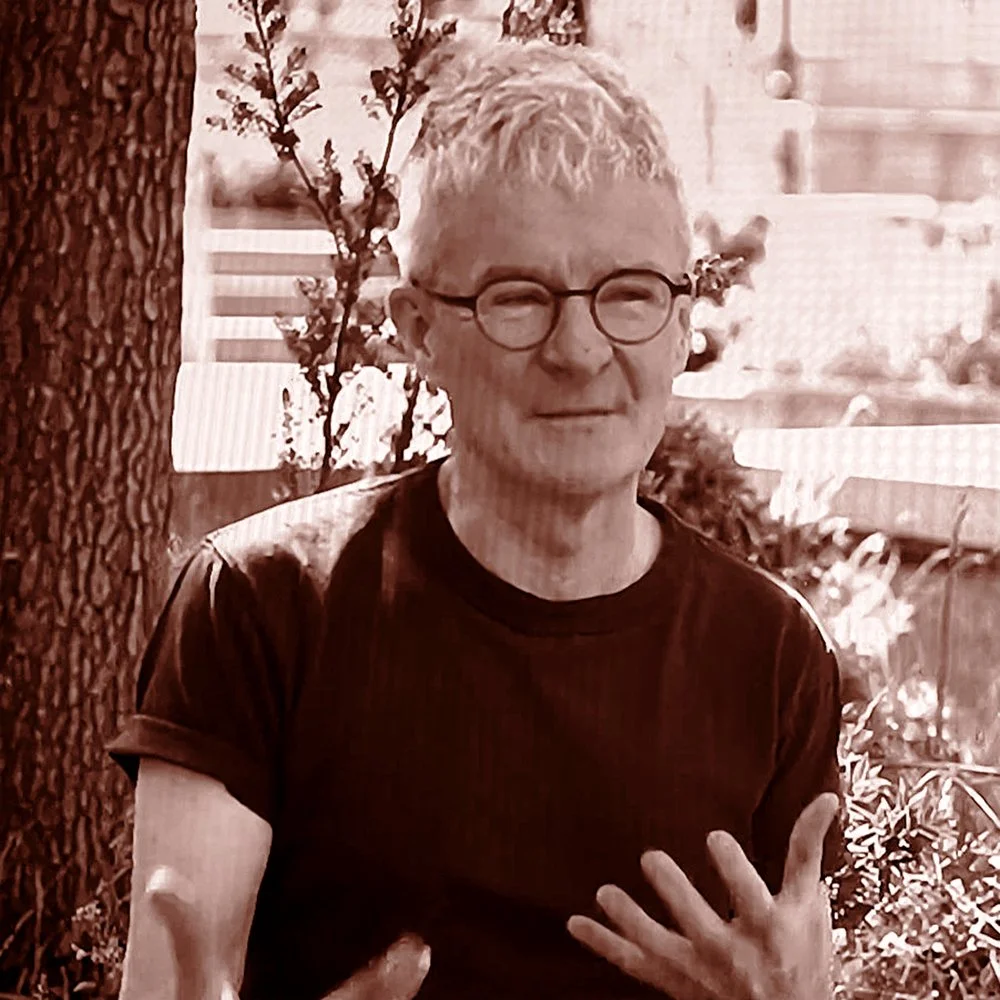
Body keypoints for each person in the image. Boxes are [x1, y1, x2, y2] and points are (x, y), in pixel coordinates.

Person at [108, 38, 846, 1000]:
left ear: (681, 323)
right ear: (418, 331)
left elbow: (788, 968)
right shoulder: (263, 607)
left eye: (628, 294)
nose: (580, 350)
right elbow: (175, 981)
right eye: (518, 299)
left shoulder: (771, 652)